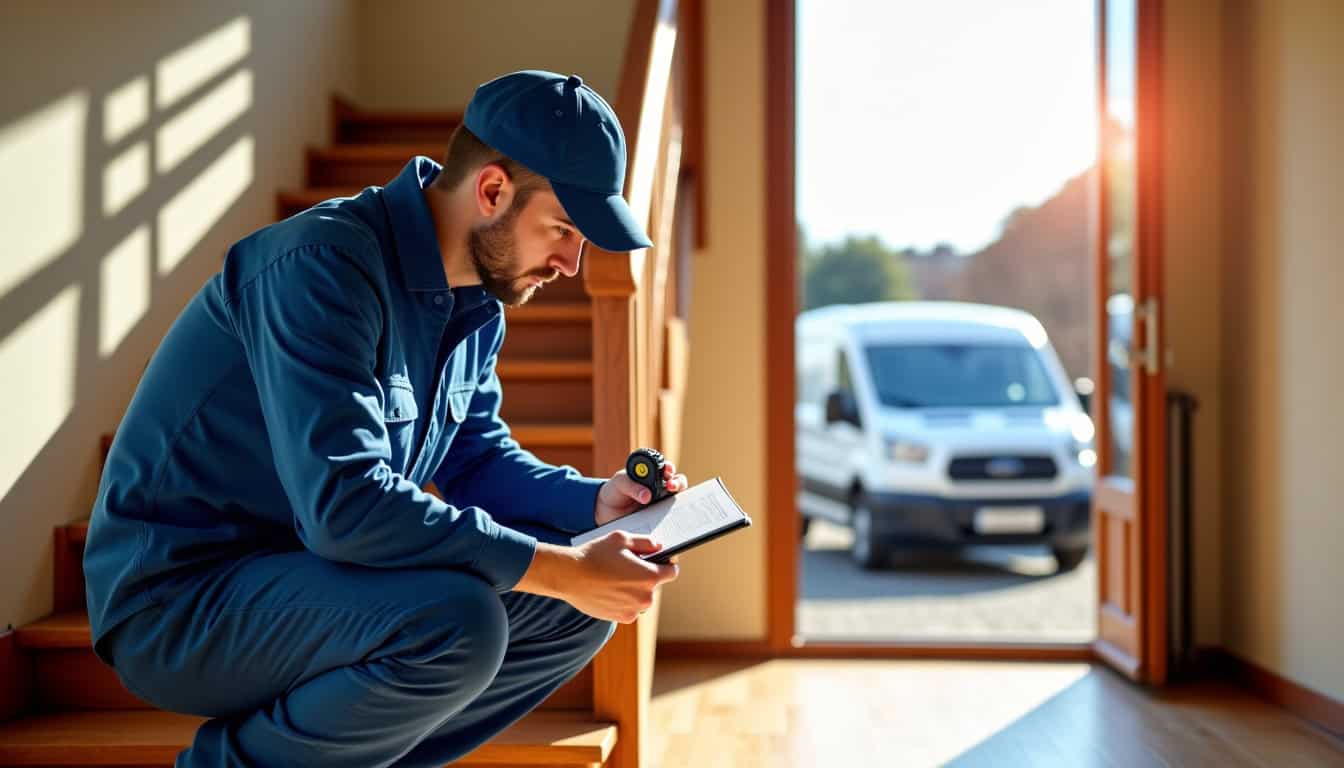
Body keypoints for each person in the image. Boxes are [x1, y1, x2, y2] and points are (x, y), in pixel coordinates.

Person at [83, 69, 686, 767]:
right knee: (459, 621)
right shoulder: (321, 267)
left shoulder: (476, 305)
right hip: (179, 600)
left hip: (309, 576)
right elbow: (345, 507)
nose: (571, 264)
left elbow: (477, 461)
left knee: (575, 609)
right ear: (492, 191)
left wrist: (595, 503)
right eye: (562, 229)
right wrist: (559, 567)